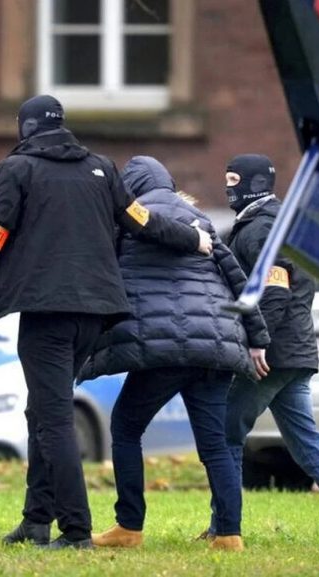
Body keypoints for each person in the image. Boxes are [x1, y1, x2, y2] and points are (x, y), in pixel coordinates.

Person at [0, 95, 213, 550]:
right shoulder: (101, 168)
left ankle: (74, 530)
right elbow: (141, 221)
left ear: (25, 128)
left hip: (47, 314)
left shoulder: (17, 170)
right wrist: (193, 238)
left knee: (53, 419)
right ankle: (36, 519)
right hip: (95, 314)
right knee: (42, 411)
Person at [79, 156, 270, 552]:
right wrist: (257, 339)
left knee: (126, 428)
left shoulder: (129, 221)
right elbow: (238, 281)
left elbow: (103, 276)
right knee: (214, 442)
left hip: (162, 346)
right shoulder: (200, 220)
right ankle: (229, 534)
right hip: (215, 345)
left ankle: (129, 527)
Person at [208, 154, 319, 549]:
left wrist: (257, 342)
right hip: (295, 352)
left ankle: (224, 528)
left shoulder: (262, 228)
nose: (228, 188)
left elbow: (275, 291)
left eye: (233, 180)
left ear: (253, 183)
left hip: (273, 354)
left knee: (224, 432)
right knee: (305, 438)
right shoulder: (281, 222)